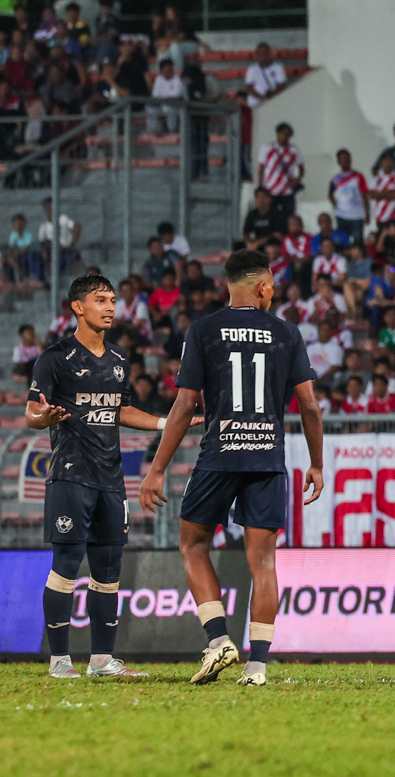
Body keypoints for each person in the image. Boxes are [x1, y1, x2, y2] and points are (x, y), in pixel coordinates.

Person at [139, 249, 325, 687]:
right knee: (263, 561)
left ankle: (218, 638)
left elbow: (185, 404)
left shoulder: (202, 330)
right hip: (266, 457)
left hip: (219, 455)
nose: (273, 292)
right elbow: (311, 406)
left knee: (192, 546)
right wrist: (317, 463)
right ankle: (257, 667)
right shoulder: (287, 332)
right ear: (262, 287)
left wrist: (157, 468)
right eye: (272, 287)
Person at [27, 274, 198, 679]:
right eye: (100, 300)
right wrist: (42, 419)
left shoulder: (120, 360)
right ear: (78, 307)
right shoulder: (54, 358)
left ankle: (102, 660)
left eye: (112, 300)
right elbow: (33, 412)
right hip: (70, 476)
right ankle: (59, 661)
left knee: (108, 568)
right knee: (67, 562)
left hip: (111, 479)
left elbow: (121, 412)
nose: (109, 307)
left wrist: (166, 423)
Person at [257, 122, 304, 220]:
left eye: (289, 134)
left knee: (288, 218)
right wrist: (261, 187)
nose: (286, 136)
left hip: (288, 191)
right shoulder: (267, 148)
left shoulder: (294, 149)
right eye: (284, 133)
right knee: (271, 218)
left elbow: (301, 168)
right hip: (270, 191)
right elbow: (261, 168)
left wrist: (298, 179)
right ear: (278, 134)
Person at [329, 149, 369, 244]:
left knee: (358, 242)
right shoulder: (335, 179)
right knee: (343, 242)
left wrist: (367, 213)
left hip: (356, 216)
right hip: (342, 217)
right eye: (343, 159)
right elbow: (330, 194)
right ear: (338, 161)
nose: (345, 161)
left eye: (347, 158)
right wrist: (336, 206)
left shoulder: (358, 176)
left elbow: (364, 194)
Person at [368, 151, 395, 232]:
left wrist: (379, 194)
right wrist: (389, 193)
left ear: (394, 164)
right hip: (380, 218)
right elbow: (371, 195)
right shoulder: (375, 180)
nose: (388, 163)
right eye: (385, 161)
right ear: (381, 164)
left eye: (390, 161)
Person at [243, 42, 287, 108]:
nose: (262, 56)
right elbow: (248, 87)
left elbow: (281, 85)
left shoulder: (278, 67)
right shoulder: (252, 68)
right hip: (255, 103)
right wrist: (261, 97)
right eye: (259, 54)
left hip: (273, 102)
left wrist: (273, 94)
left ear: (269, 54)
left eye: (264, 53)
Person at [243, 186, 286, 250]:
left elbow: (276, 235)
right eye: (258, 197)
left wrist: (258, 242)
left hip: (273, 245)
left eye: (263, 197)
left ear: (270, 199)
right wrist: (248, 243)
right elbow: (246, 232)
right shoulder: (252, 214)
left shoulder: (276, 214)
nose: (261, 200)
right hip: (257, 244)